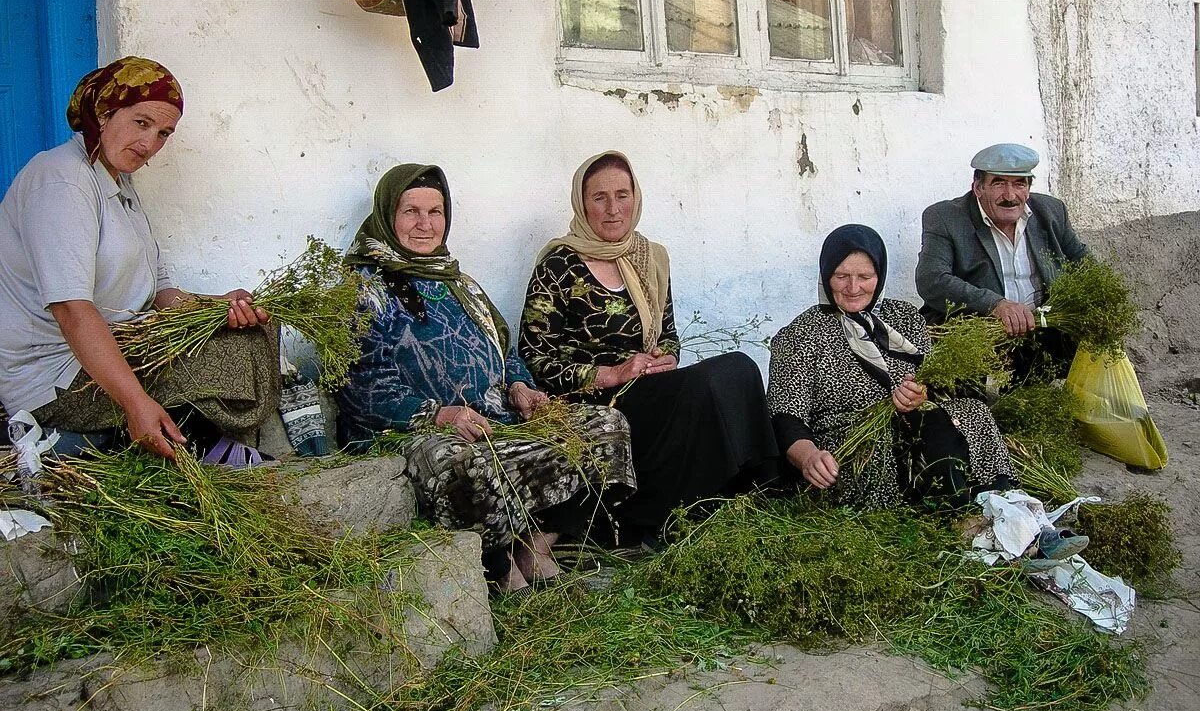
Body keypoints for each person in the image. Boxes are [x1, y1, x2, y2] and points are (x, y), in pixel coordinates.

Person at [336, 163, 635, 593]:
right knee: (465, 464)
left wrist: (518, 386)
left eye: (435, 212)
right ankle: (497, 564)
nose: (425, 224)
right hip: (414, 430)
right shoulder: (363, 291)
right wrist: (440, 414)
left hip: (494, 417)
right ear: (388, 215)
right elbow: (362, 390)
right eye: (411, 212)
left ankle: (537, 544)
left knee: (605, 427)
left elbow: (504, 350)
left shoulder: (460, 283)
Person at [0, 56, 279, 461]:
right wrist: (134, 403)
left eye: (164, 133)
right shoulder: (62, 180)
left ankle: (182, 441)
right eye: (141, 122)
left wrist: (216, 308)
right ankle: (154, 440)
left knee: (252, 332)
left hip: (114, 343)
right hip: (55, 375)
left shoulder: (117, 181)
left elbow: (159, 288)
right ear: (104, 112)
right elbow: (71, 308)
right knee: (223, 359)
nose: (150, 144)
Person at [519, 151, 777, 543]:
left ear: (635, 198)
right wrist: (613, 374)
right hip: (594, 401)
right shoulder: (558, 264)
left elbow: (667, 331)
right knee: (703, 388)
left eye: (622, 195)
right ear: (581, 203)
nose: (612, 209)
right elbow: (534, 358)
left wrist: (666, 355)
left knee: (739, 368)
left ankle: (754, 493)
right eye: (599, 198)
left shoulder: (648, 256)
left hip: (645, 388)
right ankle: (666, 517)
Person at [769, 224, 1015, 510]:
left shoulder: (905, 317)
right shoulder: (802, 333)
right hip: (850, 445)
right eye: (841, 276)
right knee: (917, 428)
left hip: (914, 423)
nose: (853, 288)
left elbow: (937, 382)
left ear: (880, 275)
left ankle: (1002, 501)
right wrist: (810, 457)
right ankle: (957, 514)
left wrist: (922, 394)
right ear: (826, 276)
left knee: (970, 412)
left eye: (865, 276)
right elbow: (786, 416)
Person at [915, 143, 1089, 376]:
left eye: (1019, 183)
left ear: (1028, 188)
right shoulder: (945, 217)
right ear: (978, 187)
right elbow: (931, 279)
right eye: (998, 183)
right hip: (977, 334)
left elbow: (1082, 262)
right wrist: (995, 305)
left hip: (1043, 330)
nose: (1010, 196)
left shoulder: (1051, 211)